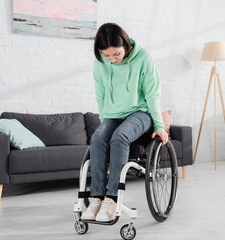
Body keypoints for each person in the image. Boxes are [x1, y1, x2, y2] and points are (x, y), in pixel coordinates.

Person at [81, 23, 168, 222]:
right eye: (107, 55)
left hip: (140, 112)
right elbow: (101, 96)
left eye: (116, 54)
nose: (112, 59)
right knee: (98, 137)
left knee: (120, 137)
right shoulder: (100, 61)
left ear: (126, 45)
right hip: (113, 115)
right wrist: (104, 124)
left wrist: (160, 126)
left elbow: (152, 95)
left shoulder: (143, 57)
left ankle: (112, 198)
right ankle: (96, 198)